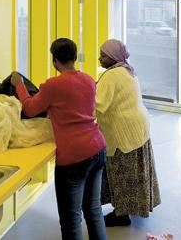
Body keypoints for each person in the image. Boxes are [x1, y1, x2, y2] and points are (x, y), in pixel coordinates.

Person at [11, 38, 107, 240]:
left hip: (74, 157)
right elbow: (76, 107)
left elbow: (30, 108)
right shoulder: (89, 80)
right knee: (93, 210)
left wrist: (19, 85)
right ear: (74, 57)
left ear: (54, 61)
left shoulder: (52, 85)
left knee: (71, 221)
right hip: (97, 148)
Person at [95, 39, 161, 227]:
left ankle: (121, 215)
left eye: (103, 55)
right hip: (138, 128)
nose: (100, 58)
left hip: (123, 132)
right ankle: (136, 206)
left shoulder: (111, 75)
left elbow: (99, 104)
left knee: (123, 173)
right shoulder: (127, 70)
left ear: (113, 57)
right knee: (136, 171)